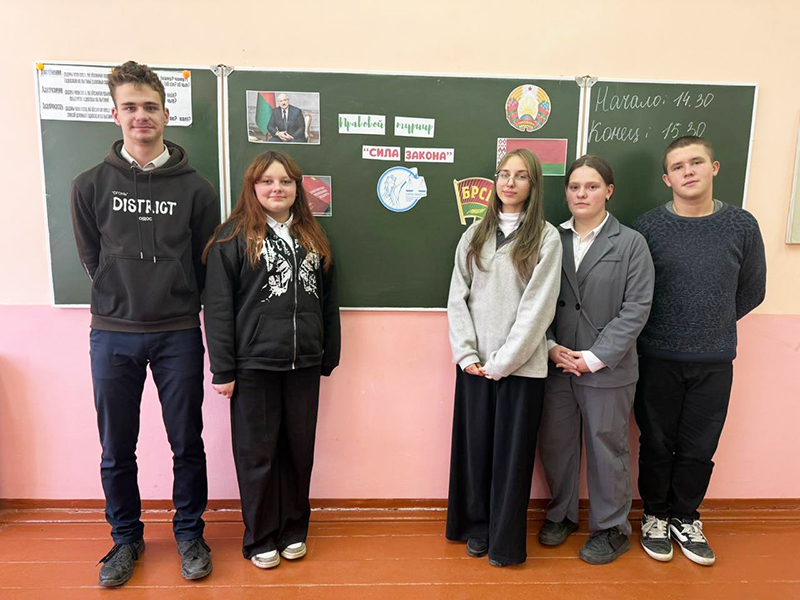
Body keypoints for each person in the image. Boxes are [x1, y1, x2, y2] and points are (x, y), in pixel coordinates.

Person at [70, 61, 219, 587]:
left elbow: (204, 261)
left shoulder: (198, 189)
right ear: (115, 114)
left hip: (178, 331)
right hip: (112, 333)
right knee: (116, 448)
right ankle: (125, 539)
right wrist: (119, 291)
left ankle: (190, 534)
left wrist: (174, 294)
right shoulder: (89, 185)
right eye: (130, 107)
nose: (141, 116)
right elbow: (91, 256)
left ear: (165, 114)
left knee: (187, 442)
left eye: (150, 107)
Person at [632, 136, 766, 566]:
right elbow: (634, 292)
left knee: (699, 447)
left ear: (715, 168)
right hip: (656, 357)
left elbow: (753, 289)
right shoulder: (648, 227)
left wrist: (712, 323)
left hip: (714, 360)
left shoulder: (742, 225)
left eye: (696, 162)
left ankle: (686, 518)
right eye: (678, 166)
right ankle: (655, 515)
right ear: (666, 178)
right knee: (656, 444)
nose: (688, 171)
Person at [203, 151, 340, 570]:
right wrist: (223, 369)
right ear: (253, 187)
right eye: (266, 181)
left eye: (285, 181)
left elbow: (329, 300)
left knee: (298, 451)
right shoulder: (231, 239)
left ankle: (293, 529)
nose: (276, 188)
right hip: (253, 366)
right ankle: (260, 536)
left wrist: (328, 354)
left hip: (303, 364)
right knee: (257, 455)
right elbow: (218, 308)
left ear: (297, 188)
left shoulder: (313, 237)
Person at [446, 148, 562, 567]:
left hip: (521, 369)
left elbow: (538, 309)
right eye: (503, 174)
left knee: (511, 460)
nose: (510, 182)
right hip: (474, 367)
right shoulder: (474, 234)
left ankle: (504, 540)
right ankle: (478, 527)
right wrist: (467, 354)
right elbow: (457, 298)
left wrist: (503, 362)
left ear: (534, 185)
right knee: (476, 452)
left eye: (521, 176)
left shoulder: (546, 237)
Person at [536, 155, 654, 565]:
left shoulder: (631, 243)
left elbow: (636, 308)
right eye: (574, 187)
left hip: (607, 369)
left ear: (609, 191)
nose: (581, 194)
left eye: (591, 186)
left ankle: (612, 528)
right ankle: (561, 514)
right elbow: (531, 300)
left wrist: (595, 357)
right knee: (556, 445)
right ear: (566, 192)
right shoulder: (550, 238)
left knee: (608, 449)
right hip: (556, 364)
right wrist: (549, 346)